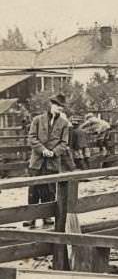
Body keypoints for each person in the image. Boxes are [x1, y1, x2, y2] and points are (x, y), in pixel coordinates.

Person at [26, 94, 71, 226]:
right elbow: (32, 138)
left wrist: (54, 152)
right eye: (57, 105)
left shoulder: (64, 124)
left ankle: (47, 216)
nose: (59, 108)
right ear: (51, 105)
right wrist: (43, 150)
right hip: (37, 161)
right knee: (33, 189)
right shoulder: (38, 120)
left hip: (52, 161)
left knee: (50, 189)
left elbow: (64, 142)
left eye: (61, 107)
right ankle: (31, 217)